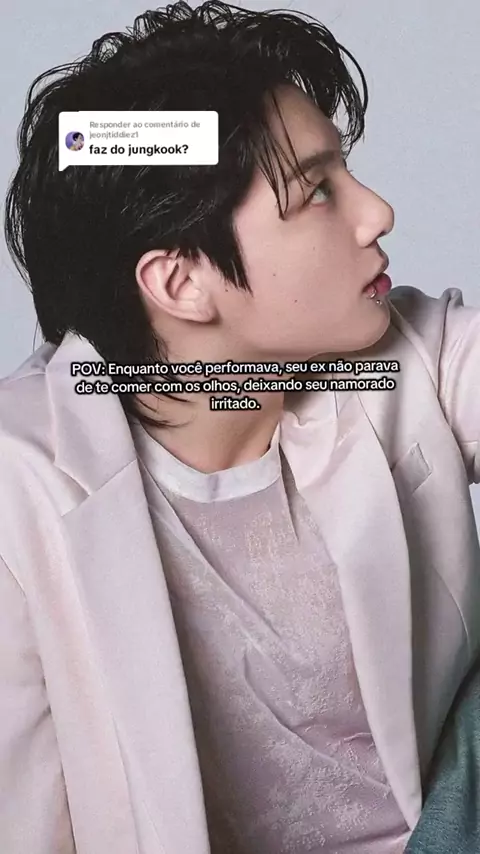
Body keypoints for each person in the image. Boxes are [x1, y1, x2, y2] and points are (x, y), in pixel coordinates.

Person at [1, 2, 480, 852]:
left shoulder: (414, 351)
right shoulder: (17, 489)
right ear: (181, 284)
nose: (376, 213)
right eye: (318, 191)